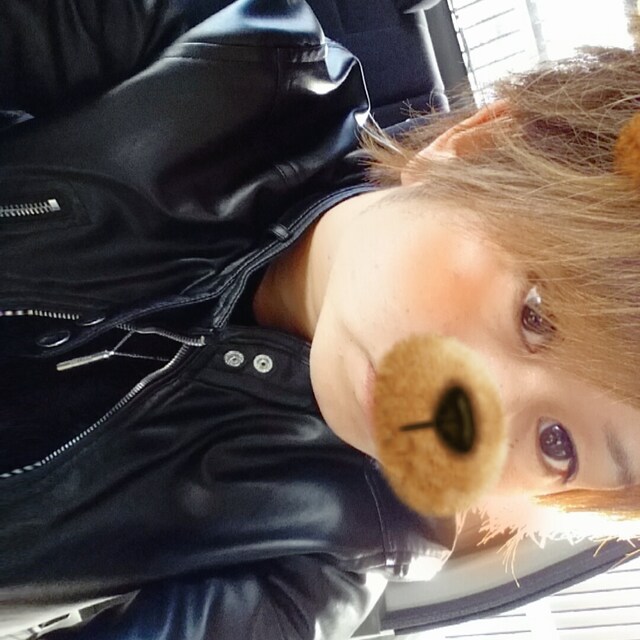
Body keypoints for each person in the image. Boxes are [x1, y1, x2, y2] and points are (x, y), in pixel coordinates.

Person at [2, 0, 640, 638]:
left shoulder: (340, 551)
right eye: (536, 314)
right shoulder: (235, 52)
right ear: (475, 148)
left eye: (557, 443)